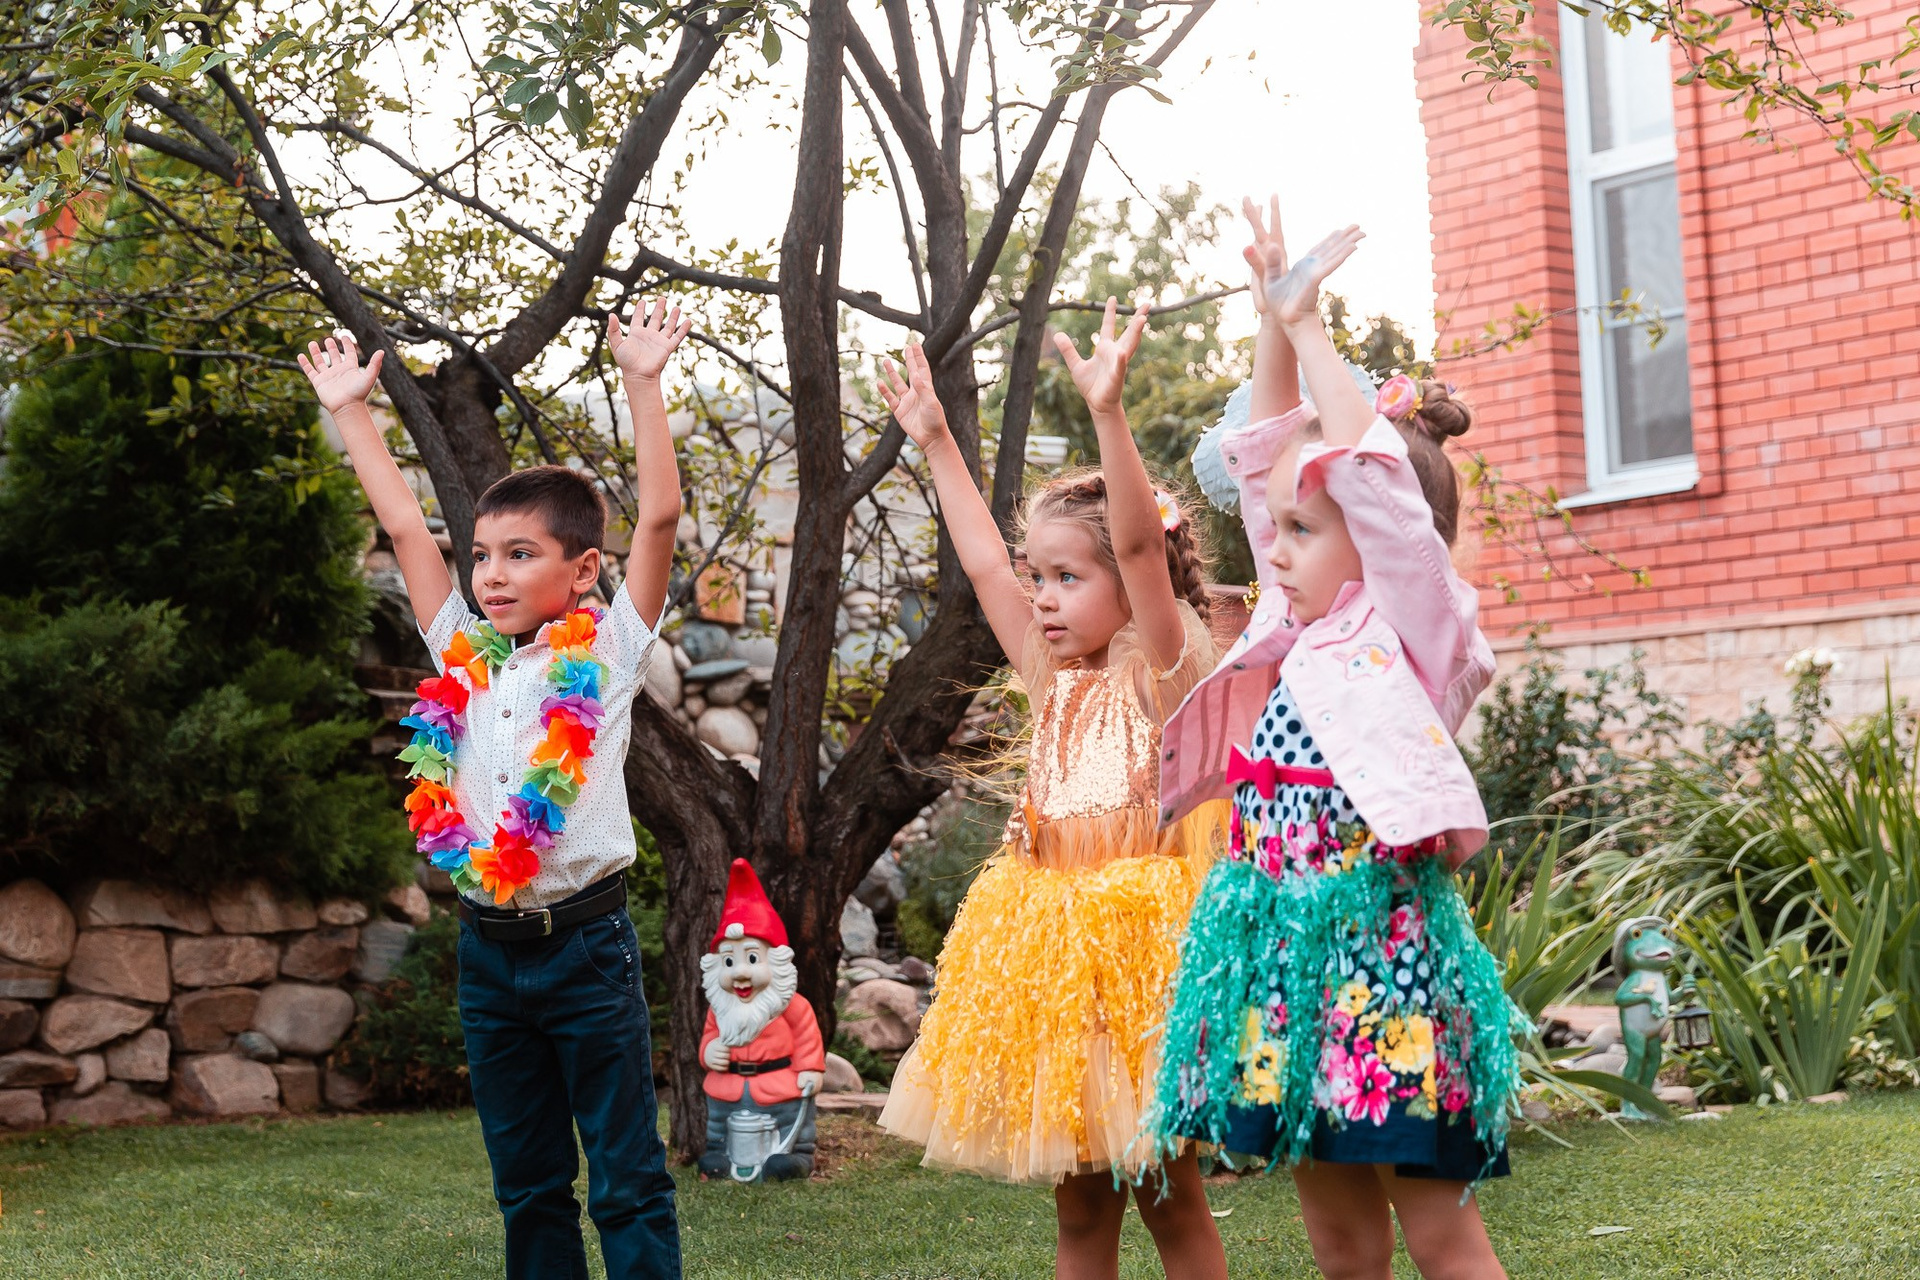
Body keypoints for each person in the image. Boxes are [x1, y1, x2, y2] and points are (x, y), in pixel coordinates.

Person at [1143, 200, 1522, 1280]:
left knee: (1440, 1237)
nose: (1274, 549)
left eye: (1302, 531)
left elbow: (1371, 484)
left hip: (1384, 977)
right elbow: (1269, 456)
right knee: (1341, 1244)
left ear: (1387, 539)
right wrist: (1271, 321)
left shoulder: (1412, 629)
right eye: (1279, 528)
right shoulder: (1288, 624)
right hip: (1284, 973)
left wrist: (1312, 327)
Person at [296, 301, 690, 1279]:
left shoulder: (608, 654)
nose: (492, 574)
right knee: (528, 1184)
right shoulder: (461, 656)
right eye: (481, 556)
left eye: (520, 554)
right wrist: (351, 410)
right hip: (489, 952)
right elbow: (404, 524)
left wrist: (642, 383)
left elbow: (660, 518)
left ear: (582, 569)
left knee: (627, 1179)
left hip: (588, 949)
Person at [874, 308, 1229, 1280]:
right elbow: (985, 562)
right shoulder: (1049, 674)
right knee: (1080, 1212)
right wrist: (937, 441)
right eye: (1041, 578)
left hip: (1142, 972)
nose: (1042, 597)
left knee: (1171, 1198)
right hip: (1053, 978)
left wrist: (1108, 414)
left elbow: (1143, 552)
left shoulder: (1162, 670)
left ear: (1127, 583)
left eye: (1068, 577)